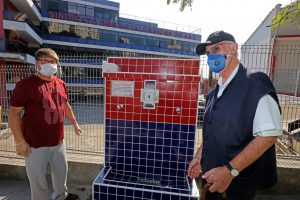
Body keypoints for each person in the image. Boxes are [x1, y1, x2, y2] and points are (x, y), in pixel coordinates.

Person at [187, 31, 282, 200]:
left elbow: (269, 135)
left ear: (233, 49)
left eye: (216, 48)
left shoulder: (255, 83)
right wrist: (199, 157)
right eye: (208, 53)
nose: (211, 56)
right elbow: (212, 131)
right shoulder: (214, 92)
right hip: (211, 182)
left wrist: (229, 171)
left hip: (238, 188)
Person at [9, 48, 82, 200]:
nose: (49, 64)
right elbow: (14, 113)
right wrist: (19, 142)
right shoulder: (26, 85)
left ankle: (61, 196)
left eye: (52, 61)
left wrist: (74, 123)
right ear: (37, 63)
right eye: (45, 61)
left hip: (58, 141)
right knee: (38, 182)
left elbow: (65, 105)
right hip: (35, 144)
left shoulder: (60, 83)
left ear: (57, 64)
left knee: (61, 175)